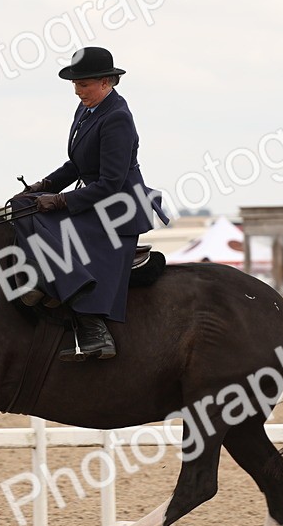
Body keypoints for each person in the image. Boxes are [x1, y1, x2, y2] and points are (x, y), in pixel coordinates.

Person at [12, 47, 168, 362]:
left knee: (46, 222)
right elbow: (75, 165)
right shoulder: (86, 111)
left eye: (84, 84)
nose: (77, 90)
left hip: (117, 209)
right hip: (96, 199)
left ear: (107, 82)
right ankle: (39, 282)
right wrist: (42, 187)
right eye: (75, 84)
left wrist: (58, 201)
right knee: (22, 207)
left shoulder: (118, 118)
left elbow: (110, 183)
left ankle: (93, 326)